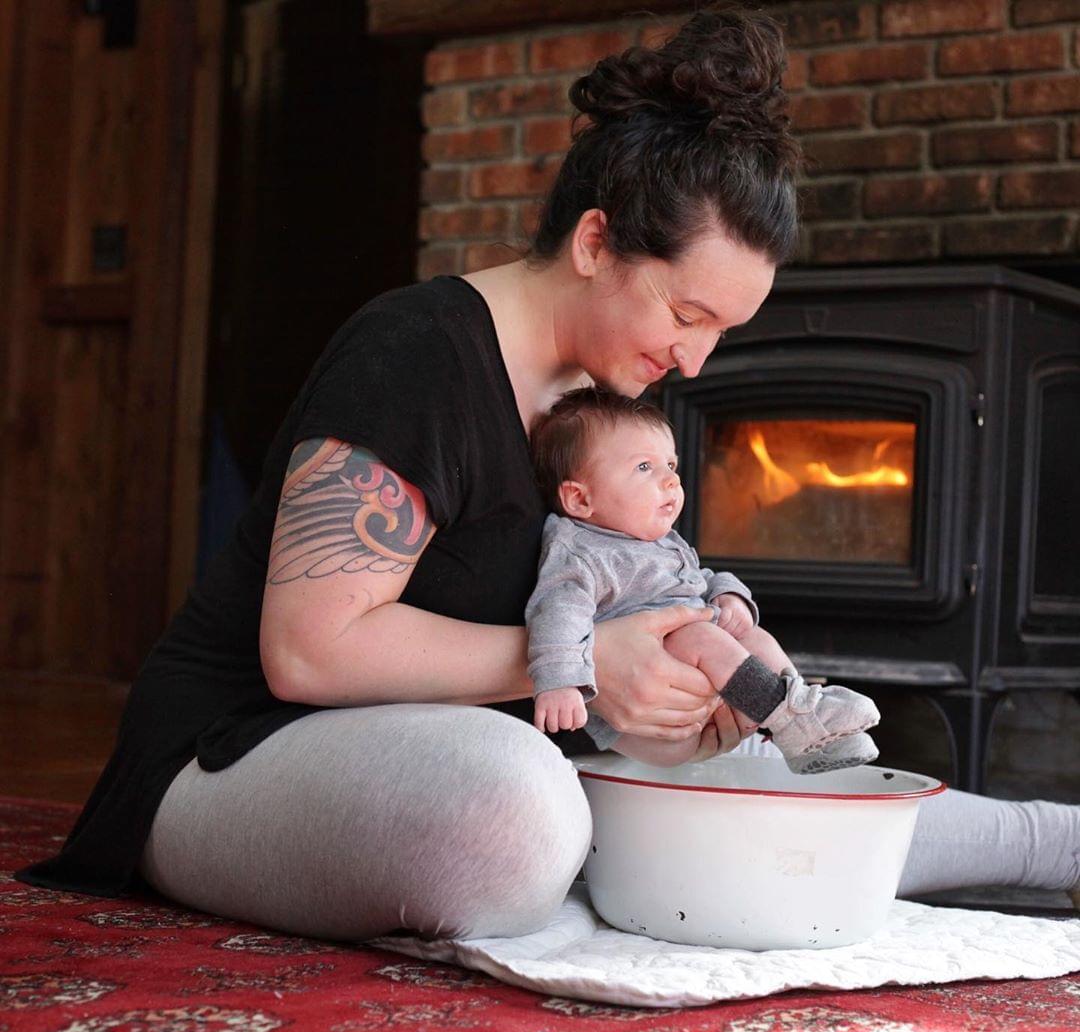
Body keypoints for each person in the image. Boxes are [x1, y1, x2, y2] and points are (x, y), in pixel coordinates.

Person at [16, 6, 1079, 937]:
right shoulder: (417, 349)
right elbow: (307, 651)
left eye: (722, 332)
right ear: (594, 240)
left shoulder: (604, 415)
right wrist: (576, 663)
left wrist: (673, 684)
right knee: (523, 810)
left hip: (483, 755)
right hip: (234, 756)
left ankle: (1052, 844)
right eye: (686, 313)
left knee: (790, 782)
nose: (695, 361)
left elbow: (626, 614)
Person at [525, 386, 880, 773]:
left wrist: (730, 597)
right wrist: (559, 683)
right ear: (580, 499)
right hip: (647, 720)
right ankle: (794, 718)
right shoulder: (581, 552)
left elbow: (701, 578)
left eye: (671, 466)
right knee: (700, 636)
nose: (670, 481)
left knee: (754, 638)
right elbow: (557, 613)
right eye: (644, 467)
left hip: (697, 704)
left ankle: (805, 724)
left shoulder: (655, 541)